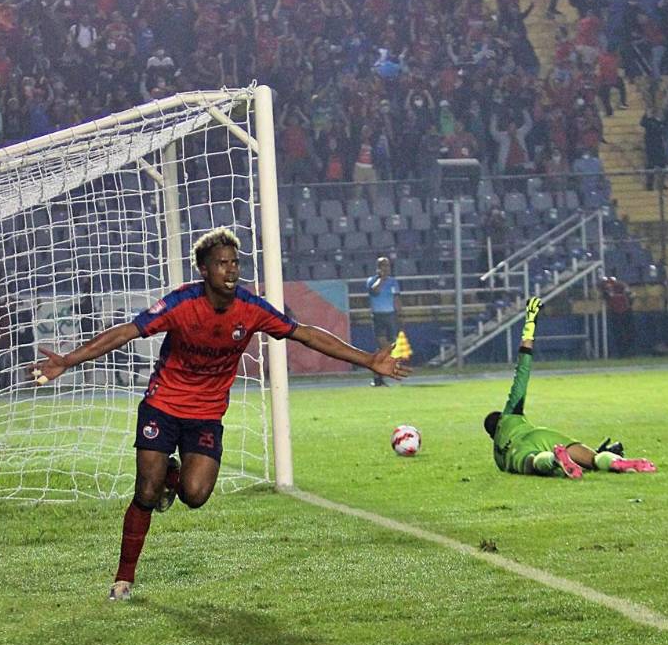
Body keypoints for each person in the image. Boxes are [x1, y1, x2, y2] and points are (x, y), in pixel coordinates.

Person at [31, 228, 411, 600]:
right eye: (221, 263)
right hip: (163, 405)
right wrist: (68, 360)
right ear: (203, 269)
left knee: (195, 495)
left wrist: (367, 360)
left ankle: (172, 475)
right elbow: (126, 332)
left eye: (235, 263)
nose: (231, 270)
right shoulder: (182, 303)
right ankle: (123, 579)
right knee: (146, 491)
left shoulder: (251, 308)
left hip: (206, 414)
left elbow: (306, 334)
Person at [483, 298, 656, 479]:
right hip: (539, 435)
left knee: (533, 461)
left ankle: (554, 459)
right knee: (593, 459)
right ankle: (616, 462)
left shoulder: (498, 457)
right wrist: (530, 321)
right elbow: (522, 372)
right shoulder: (510, 415)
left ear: (492, 436)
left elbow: (508, 466)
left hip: (518, 451)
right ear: (501, 418)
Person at [365, 256, 401, 387]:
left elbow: (396, 298)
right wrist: (381, 279)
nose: (386, 268)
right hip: (378, 316)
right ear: (378, 268)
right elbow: (374, 292)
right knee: (383, 346)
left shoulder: (393, 282)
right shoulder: (372, 281)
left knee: (389, 348)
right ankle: (377, 375)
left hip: (390, 316)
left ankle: (377, 375)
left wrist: (399, 314)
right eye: (383, 266)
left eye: (388, 266)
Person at [600, 275, 635, 356]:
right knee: (618, 333)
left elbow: (630, 295)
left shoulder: (622, 286)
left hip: (625, 311)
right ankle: (621, 352)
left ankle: (629, 351)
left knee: (629, 332)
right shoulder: (605, 288)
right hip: (615, 312)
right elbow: (605, 296)